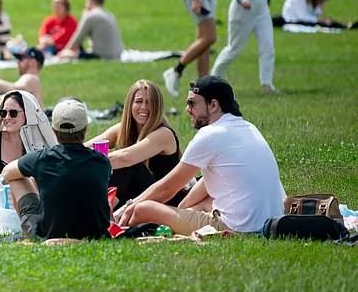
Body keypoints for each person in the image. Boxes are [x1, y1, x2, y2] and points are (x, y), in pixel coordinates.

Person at [116, 76, 284, 235]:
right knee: (202, 203)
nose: (187, 109)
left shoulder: (209, 135)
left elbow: (167, 189)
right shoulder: (248, 128)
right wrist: (183, 208)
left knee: (143, 209)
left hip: (238, 228)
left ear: (213, 105)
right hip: (269, 221)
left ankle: (116, 226)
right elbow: (210, 179)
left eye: (192, 103)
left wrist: (128, 207)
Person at [2, 99, 111, 240]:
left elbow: (7, 173)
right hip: (95, 234)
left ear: (53, 130)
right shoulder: (102, 161)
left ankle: (26, 233)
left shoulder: (42, 158)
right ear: (85, 129)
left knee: (16, 178)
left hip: (48, 234)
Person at [87, 80, 183, 208]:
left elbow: (125, 157)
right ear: (130, 104)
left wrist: (86, 162)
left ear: (157, 106)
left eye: (149, 103)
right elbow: (87, 147)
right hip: (136, 196)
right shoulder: (122, 129)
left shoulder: (164, 134)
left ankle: (102, 211)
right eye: (139, 101)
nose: (144, 107)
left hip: (166, 201)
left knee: (128, 164)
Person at [58, 0, 124, 60]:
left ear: (90, 1)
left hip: (101, 55)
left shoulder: (90, 15)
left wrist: (64, 51)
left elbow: (78, 37)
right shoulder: (109, 15)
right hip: (118, 54)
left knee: (68, 55)